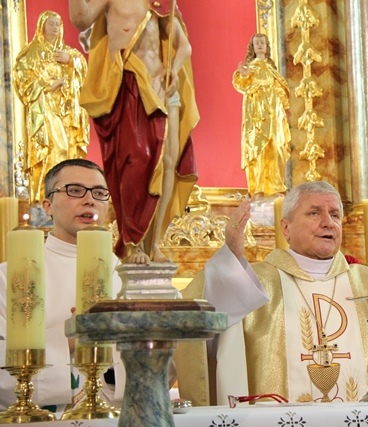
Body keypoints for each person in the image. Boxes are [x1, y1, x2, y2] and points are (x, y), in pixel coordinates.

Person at [176, 181, 368, 405]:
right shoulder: (251, 283)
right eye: (314, 213)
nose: (328, 222)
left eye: (335, 215)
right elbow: (202, 332)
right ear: (285, 227)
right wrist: (230, 262)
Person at [69, 0, 199, 264]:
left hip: (164, 86)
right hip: (131, 84)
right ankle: (133, 242)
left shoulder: (158, 3)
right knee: (135, 161)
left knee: (169, 162)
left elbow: (183, 45)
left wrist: (174, 70)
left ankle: (154, 243)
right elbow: (82, 19)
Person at [0, 159, 124, 415]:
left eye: (99, 193)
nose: (90, 200)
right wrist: (68, 339)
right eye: (75, 190)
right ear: (48, 206)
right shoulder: (9, 276)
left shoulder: (128, 277)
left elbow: (163, 364)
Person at [13, 10, 90, 204]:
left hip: (66, 111)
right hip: (44, 109)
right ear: (42, 26)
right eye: (51, 24)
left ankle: (66, 196)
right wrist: (48, 86)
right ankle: (46, 197)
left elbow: (84, 71)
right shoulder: (30, 54)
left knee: (67, 152)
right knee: (54, 150)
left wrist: (71, 61)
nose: (55, 28)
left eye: (58, 24)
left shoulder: (68, 52)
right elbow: (23, 79)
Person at [233, 33, 291, 197]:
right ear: (252, 47)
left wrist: (285, 109)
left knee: (276, 147)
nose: (259, 45)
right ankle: (258, 188)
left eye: (262, 43)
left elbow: (281, 91)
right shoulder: (250, 69)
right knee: (258, 149)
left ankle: (276, 186)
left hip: (274, 115)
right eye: (256, 43)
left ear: (267, 47)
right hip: (257, 116)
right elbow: (242, 84)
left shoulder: (271, 70)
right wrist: (243, 74)